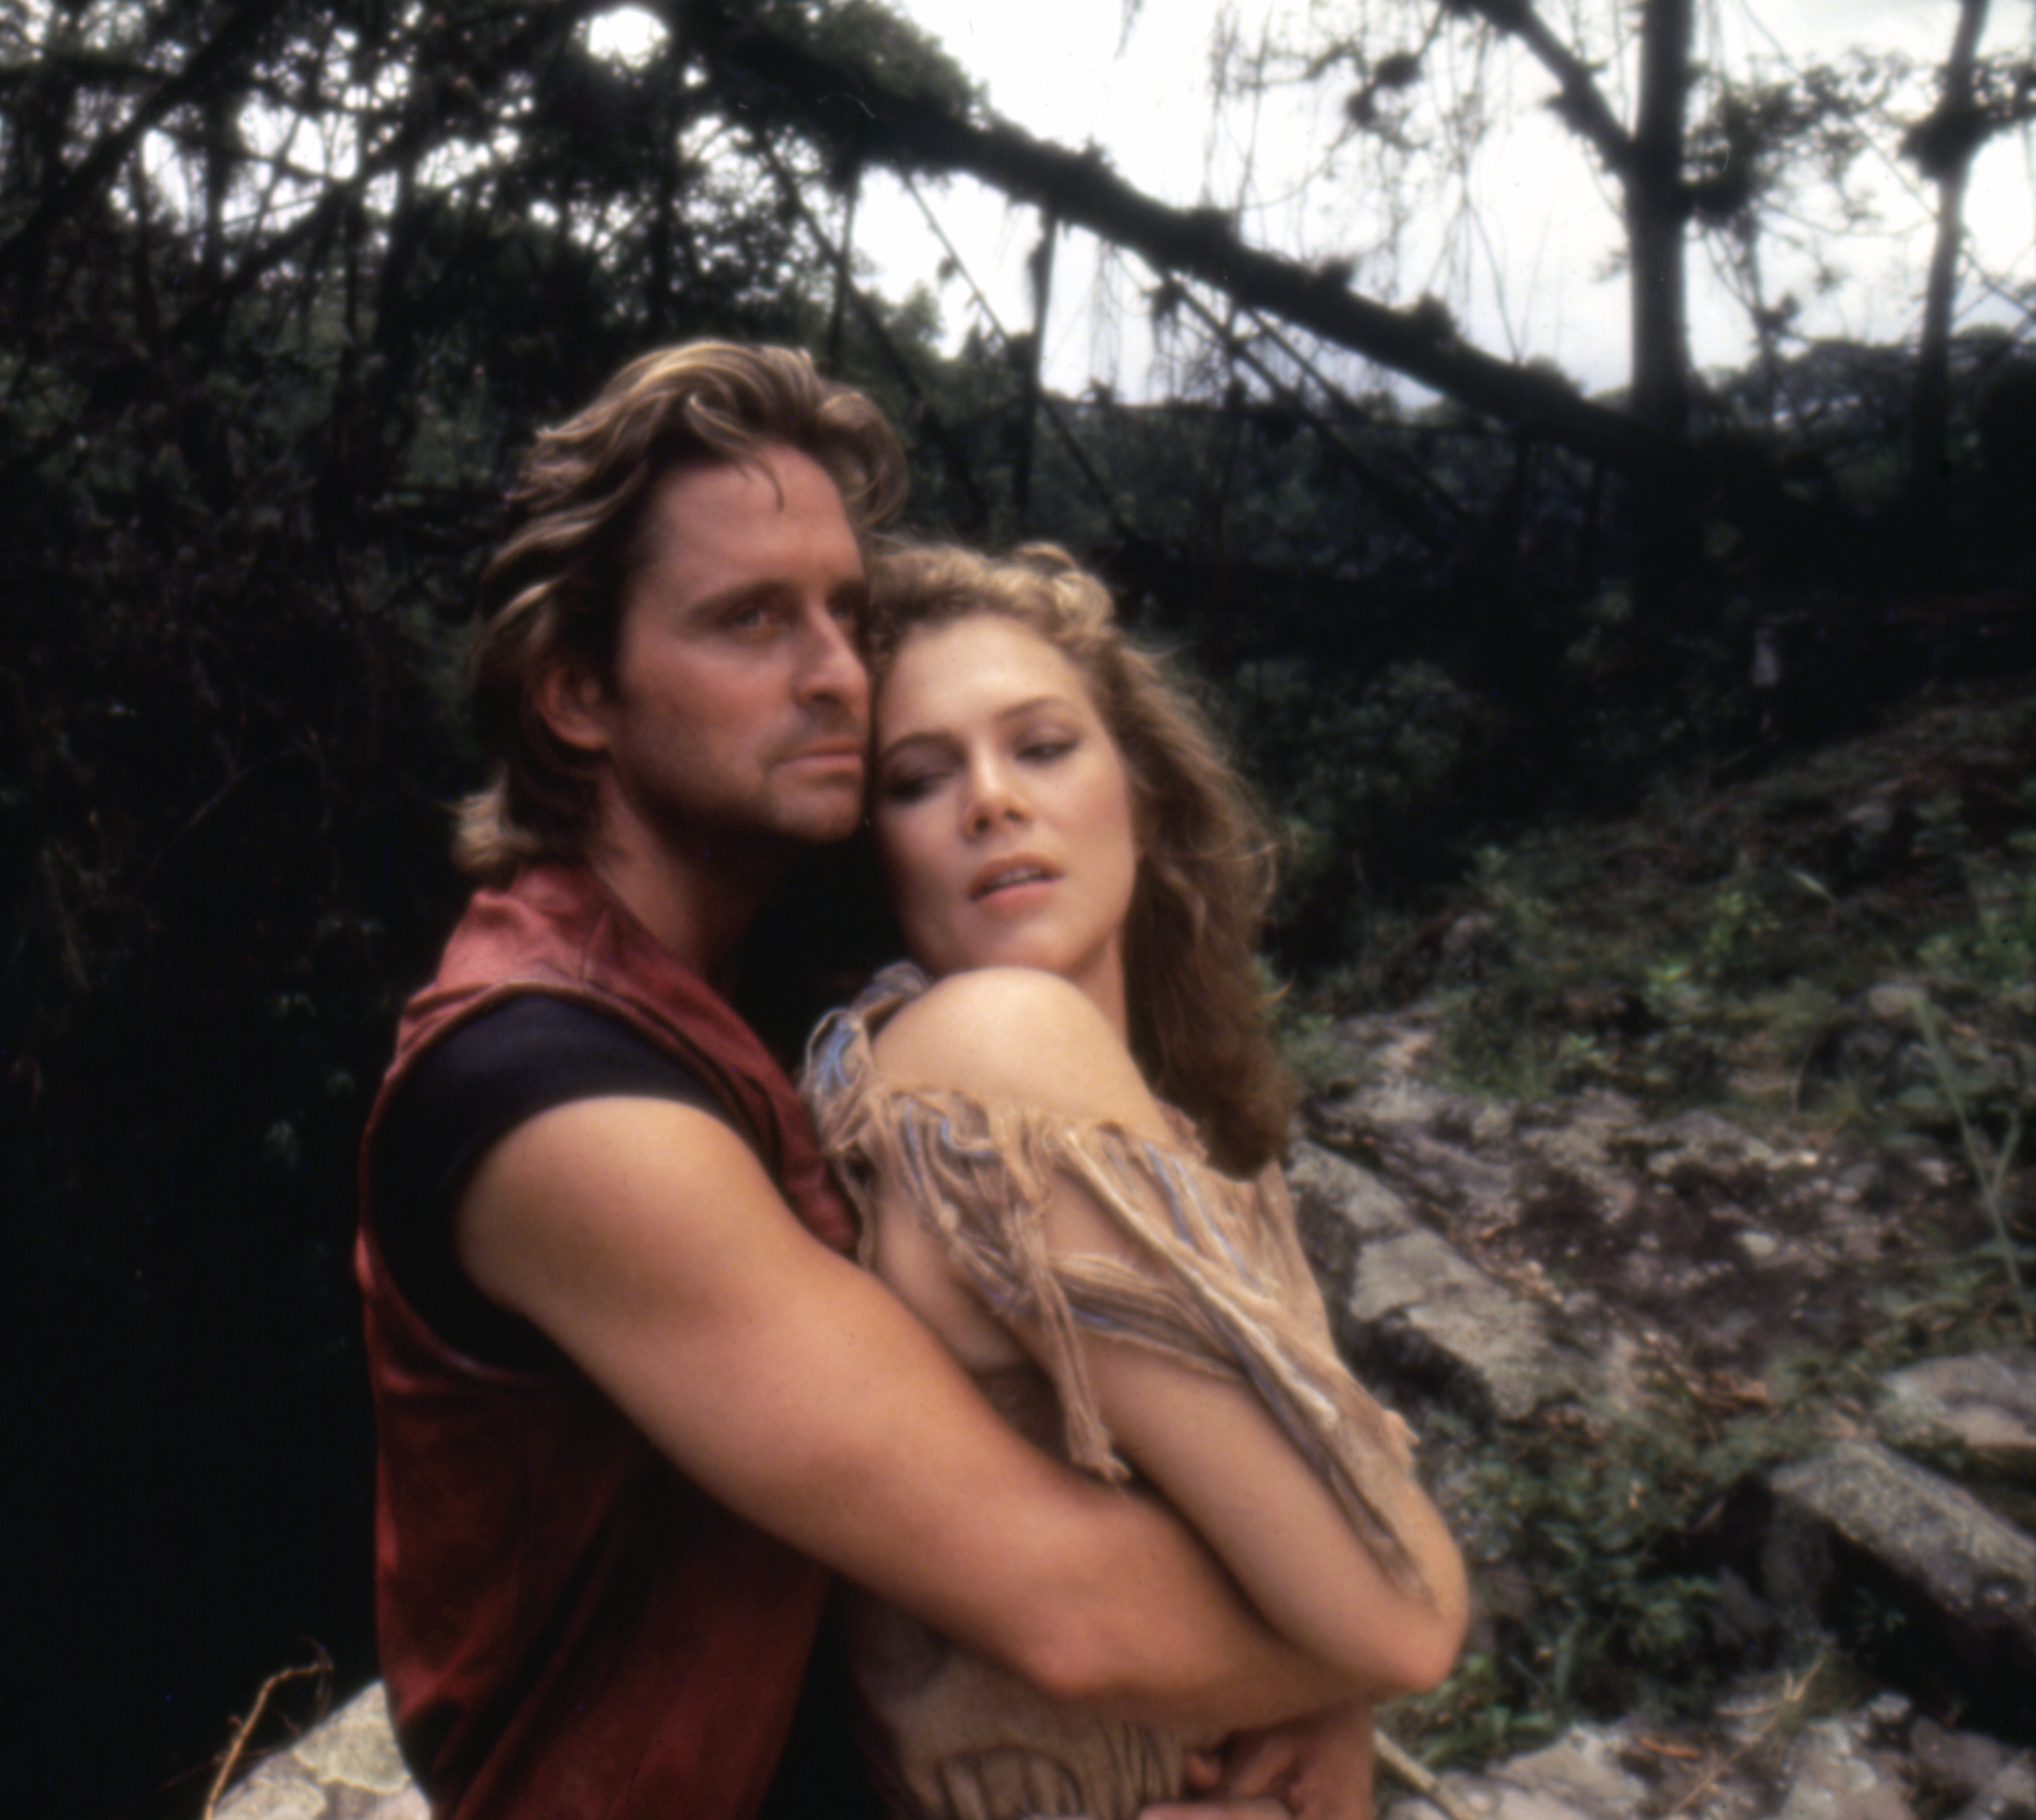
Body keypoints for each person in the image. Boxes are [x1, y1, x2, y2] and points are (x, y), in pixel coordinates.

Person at [356, 343, 1436, 1820]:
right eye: (750, 621)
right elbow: (1078, 1605)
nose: (833, 675)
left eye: (844, 617)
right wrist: (1332, 1673)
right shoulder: (551, 1097)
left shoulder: (747, 995)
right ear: (576, 697)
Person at [798, 543, 1467, 1818]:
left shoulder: (1136, 1108)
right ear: (869, 851)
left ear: (1141, 793)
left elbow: (1332, 1593)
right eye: (918, 778)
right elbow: (1403, 1607)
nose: (990, 800)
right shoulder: (994, 1052)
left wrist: (1324, 1699)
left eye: (1042, 746)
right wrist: (1339, 1672)